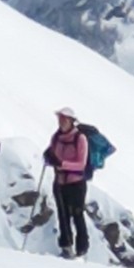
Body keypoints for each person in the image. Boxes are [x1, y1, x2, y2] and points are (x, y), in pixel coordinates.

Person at [43, 108, 95, 259]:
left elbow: (81, 164)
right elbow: (51, 154)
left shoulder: (80, 139)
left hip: (76, 183)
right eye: (60, 118)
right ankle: (66, 246)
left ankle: (81, 248)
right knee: (63, 214)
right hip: (60, 182)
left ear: (72, 121)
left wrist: (61, 164)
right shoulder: (56, 137)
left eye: (64, 119)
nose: (61, 121)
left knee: (77, 214)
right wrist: (48, 158)